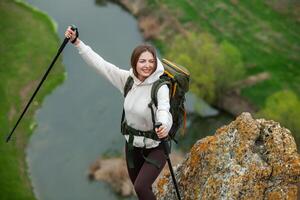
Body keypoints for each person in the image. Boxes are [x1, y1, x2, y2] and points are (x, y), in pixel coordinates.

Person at [65, 26, 172, 200]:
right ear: (134, 63)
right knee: (139, 189)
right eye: (142, 61)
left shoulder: (160, 87)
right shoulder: (127, 81)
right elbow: (102, 65)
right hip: (132, 146)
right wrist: (77, 42)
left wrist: (164, 126)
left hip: (157, 146)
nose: (147, 65)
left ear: (156, 64)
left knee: (141, 187)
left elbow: (164, 110)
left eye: (151, 61)